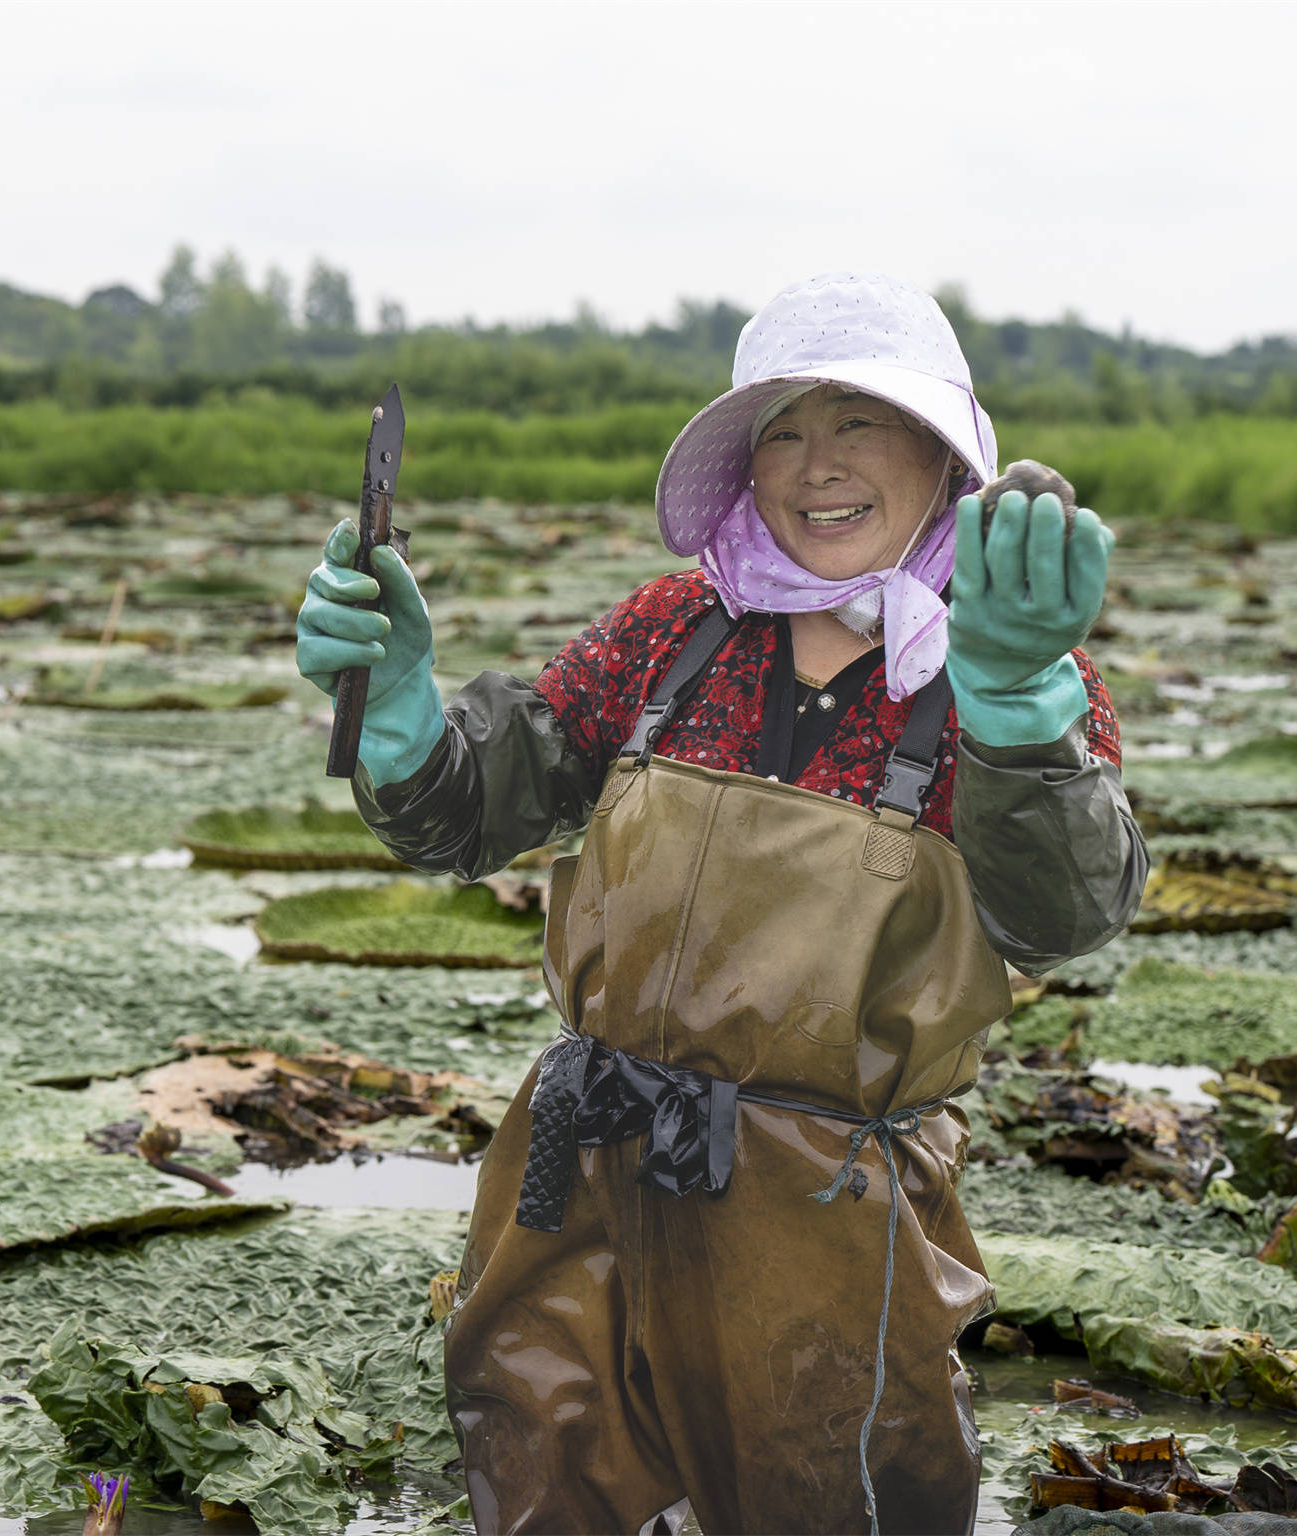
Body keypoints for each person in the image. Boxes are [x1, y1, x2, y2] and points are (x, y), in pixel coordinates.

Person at [296, 273, 1147, 1535]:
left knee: (829, 1496)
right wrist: (402, 714)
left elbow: (1058, 916)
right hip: (582, 1167)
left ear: (940, 454)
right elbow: (475, 809)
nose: (818, 465)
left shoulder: (1006, 664)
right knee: (537, 1480)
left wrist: (1018, 710)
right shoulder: (674, 629)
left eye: (858, 422)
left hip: (827, 1209)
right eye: (782, 431)